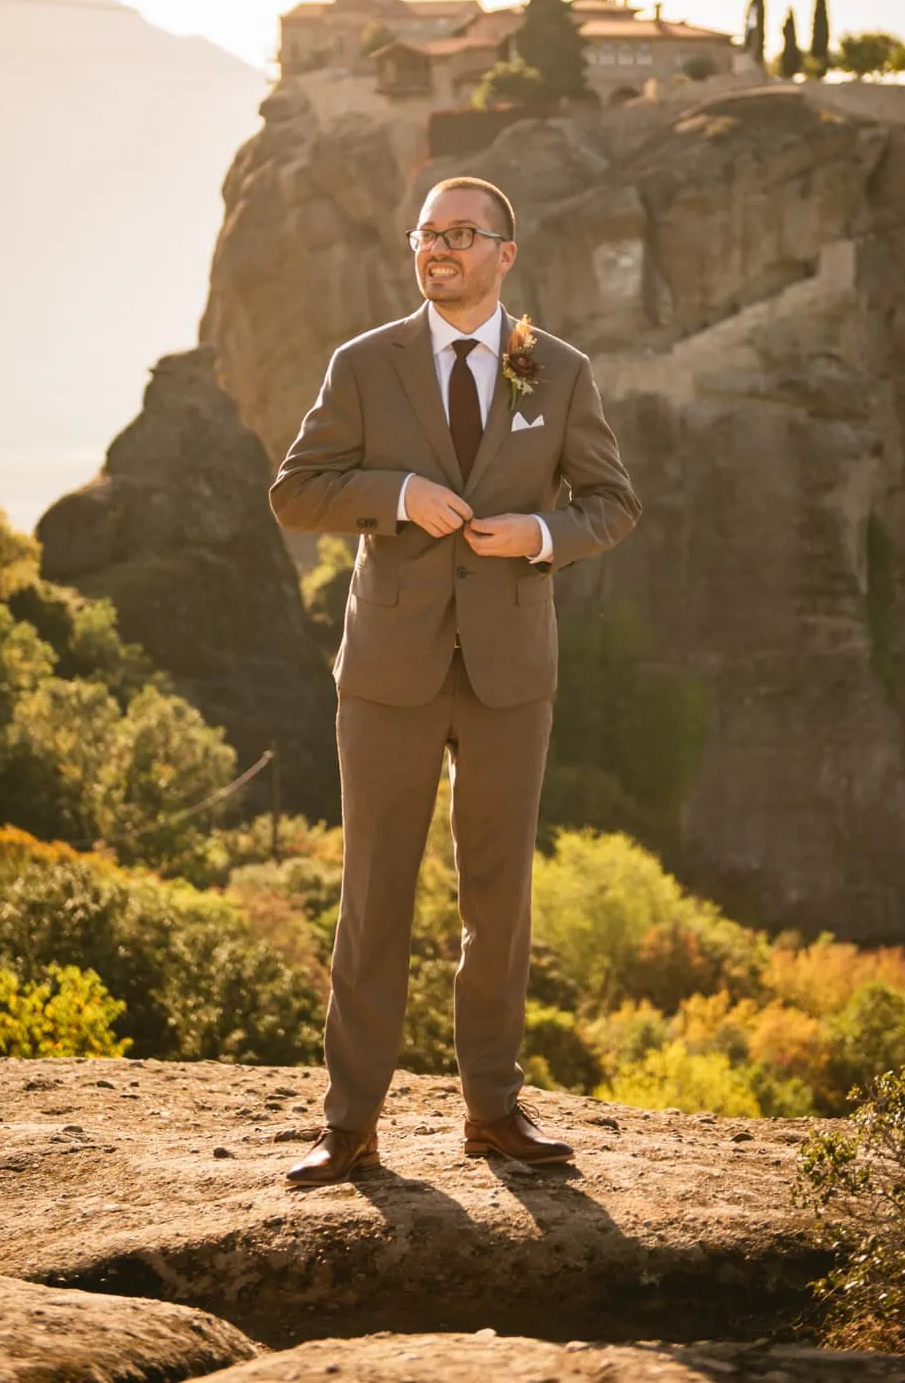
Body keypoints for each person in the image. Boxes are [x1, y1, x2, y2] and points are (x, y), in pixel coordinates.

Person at [269, 175, 640, 1186]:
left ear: (504, 254)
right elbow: (296, 492)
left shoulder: (556, 369)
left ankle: (494, 1112)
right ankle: (350, 1124)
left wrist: (540, 535)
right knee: (374, 895)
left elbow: (612, 503)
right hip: (388, 670)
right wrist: (395, 493)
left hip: (510, 672)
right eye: (426, 234)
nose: (437, 248)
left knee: (500, 901)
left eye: (461, 234)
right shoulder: (364, 362)